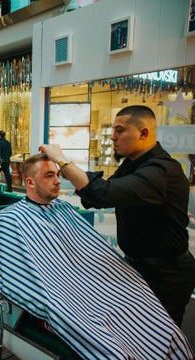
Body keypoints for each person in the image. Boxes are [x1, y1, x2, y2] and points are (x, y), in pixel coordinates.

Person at [0, 154, 193, 359]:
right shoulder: (8, 221)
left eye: (58, 174)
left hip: (89, 287)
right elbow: (16, 277)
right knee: (105, 340)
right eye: (49, 175)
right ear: (30, 183)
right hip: (61, 296)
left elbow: (89, 252)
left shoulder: (64, 209)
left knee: (151, 316)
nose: (58, 181)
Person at [39, 105, 195, 327]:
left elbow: (104, 193)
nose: (113, 137)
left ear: (143, 133)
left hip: (167, 275)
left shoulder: (161, 171)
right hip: (139, 267)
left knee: (160, 338)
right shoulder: (132, 165)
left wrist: (64, 161)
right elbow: (99, 190)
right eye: (113, 130)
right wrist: (64, 169)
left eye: (120, 130)